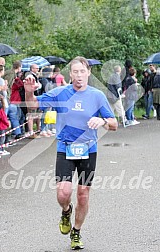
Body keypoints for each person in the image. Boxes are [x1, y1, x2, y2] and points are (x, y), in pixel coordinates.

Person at [24, 56, 118, 250]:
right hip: (65, 147)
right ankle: (66, 211)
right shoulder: (60, 93)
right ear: (70, 74)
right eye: (75, 72)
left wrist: (103, 121)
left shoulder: (97, 96)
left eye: (82, 71)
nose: (79, 75)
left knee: (83, 194)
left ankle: (76, 231)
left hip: (88, 149)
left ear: (88, 73)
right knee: (63, 193)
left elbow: (114, 124)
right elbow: (33, 105)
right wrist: (28, 93)